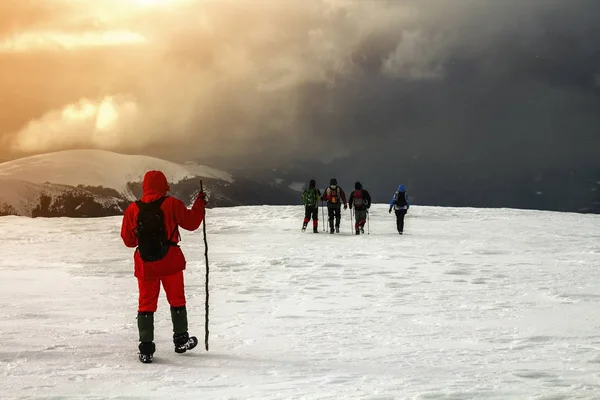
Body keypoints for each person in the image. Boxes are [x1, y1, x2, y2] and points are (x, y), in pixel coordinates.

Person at [121, 170, 206, 363]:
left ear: (145, 186)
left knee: (146, 303)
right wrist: (200, 203)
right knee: (177, 300)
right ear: (163, 185)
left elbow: (128, 241)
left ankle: (146, 348)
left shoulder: (133, 209)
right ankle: (181, 340)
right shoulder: (172, 204)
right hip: (170, 262)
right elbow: (192, 223)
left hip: (145, 264)